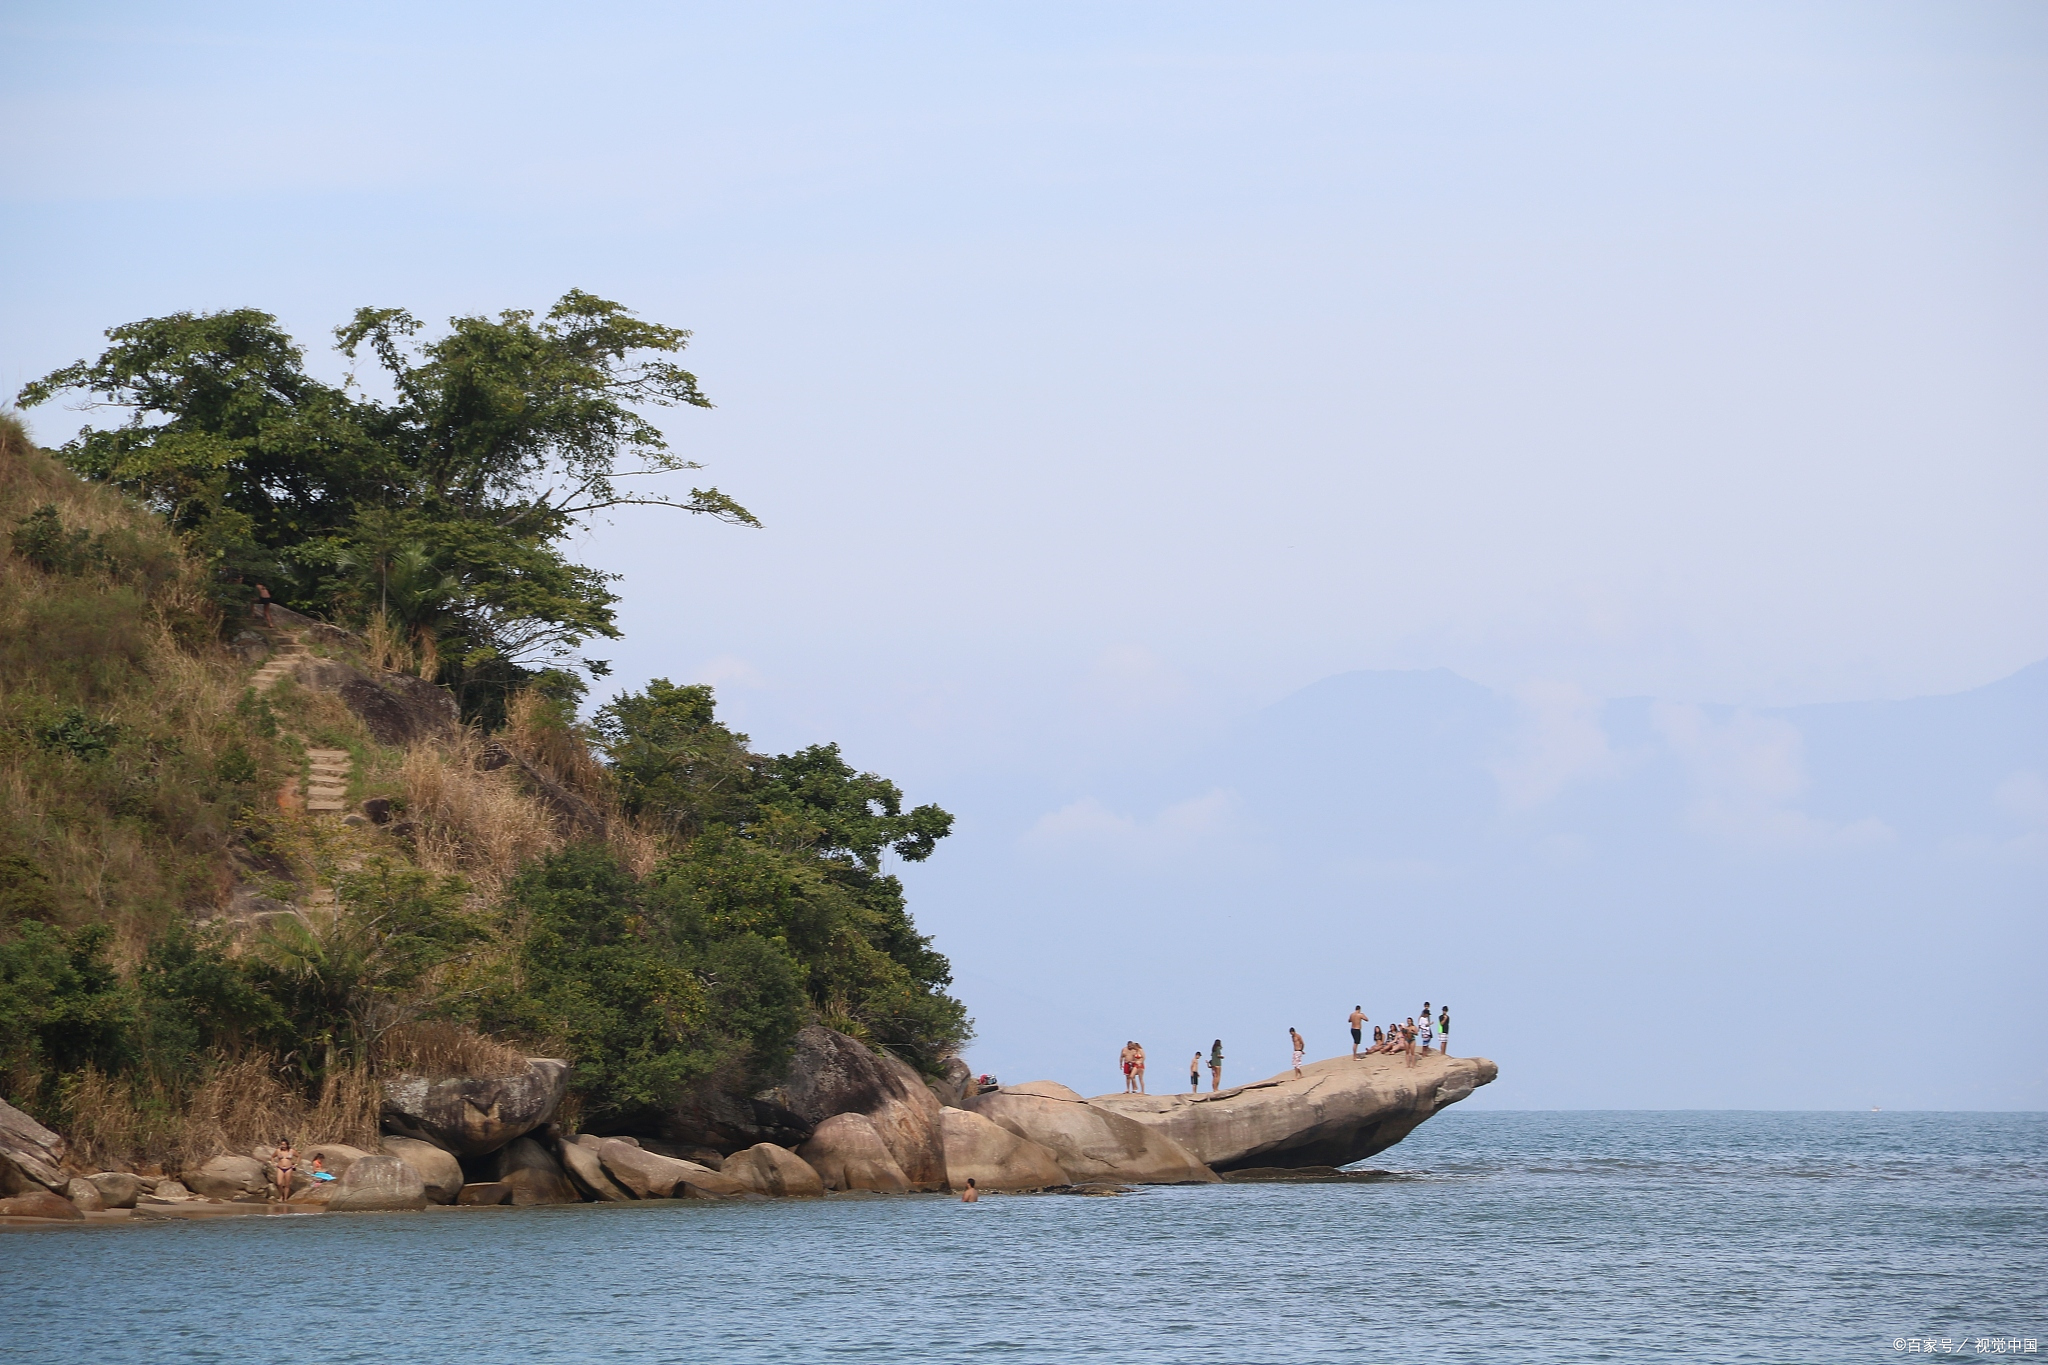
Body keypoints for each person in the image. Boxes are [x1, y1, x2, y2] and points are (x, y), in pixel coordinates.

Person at [272, 1137, 296, 1202]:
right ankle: (281, 1196)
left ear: (287, 1145)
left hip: (289, 1168)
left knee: (287, 1184)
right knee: (279, 1183)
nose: (283, 1146)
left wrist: (296, 1164)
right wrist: (274, 1163)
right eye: (282, 1144)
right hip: (280, 1168)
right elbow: (272, 1157)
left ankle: (285, 1198)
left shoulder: (291, 1151)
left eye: (284, 1145)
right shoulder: (278, 1151)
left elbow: (299, 1156)